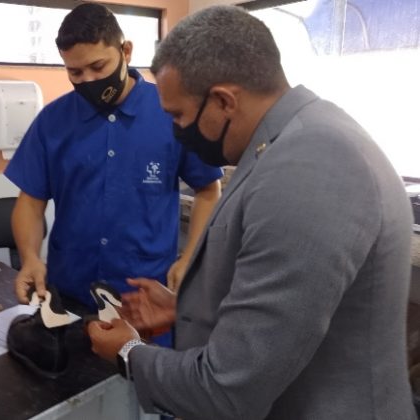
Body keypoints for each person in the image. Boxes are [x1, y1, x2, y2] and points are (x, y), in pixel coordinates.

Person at [87, 5, 417, 419]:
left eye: (178, 115)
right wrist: (187, 310)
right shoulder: (293, 139)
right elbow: (289, 313)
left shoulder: (309, 168)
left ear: (223, 101)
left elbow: (228, 389)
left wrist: (128, 353)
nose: (176, 130)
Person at [5, 3, 222, 311]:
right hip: (70, 292)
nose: (88, 80)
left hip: (146, 296)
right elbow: (30, 201)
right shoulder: (52, 122)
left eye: (98, 67)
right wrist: (29, 258)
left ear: (126, 51)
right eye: (75, 72)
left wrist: (189, 258)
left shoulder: (170, 111)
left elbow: (209, 191)